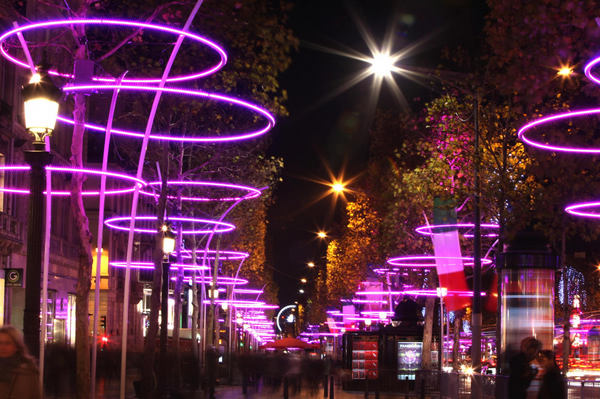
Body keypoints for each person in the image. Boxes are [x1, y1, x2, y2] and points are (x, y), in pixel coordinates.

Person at [0, 325, 42, 399]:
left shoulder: (28, 371)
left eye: (7, 343)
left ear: (16, 346)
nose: (3, 347)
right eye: (0, 343)